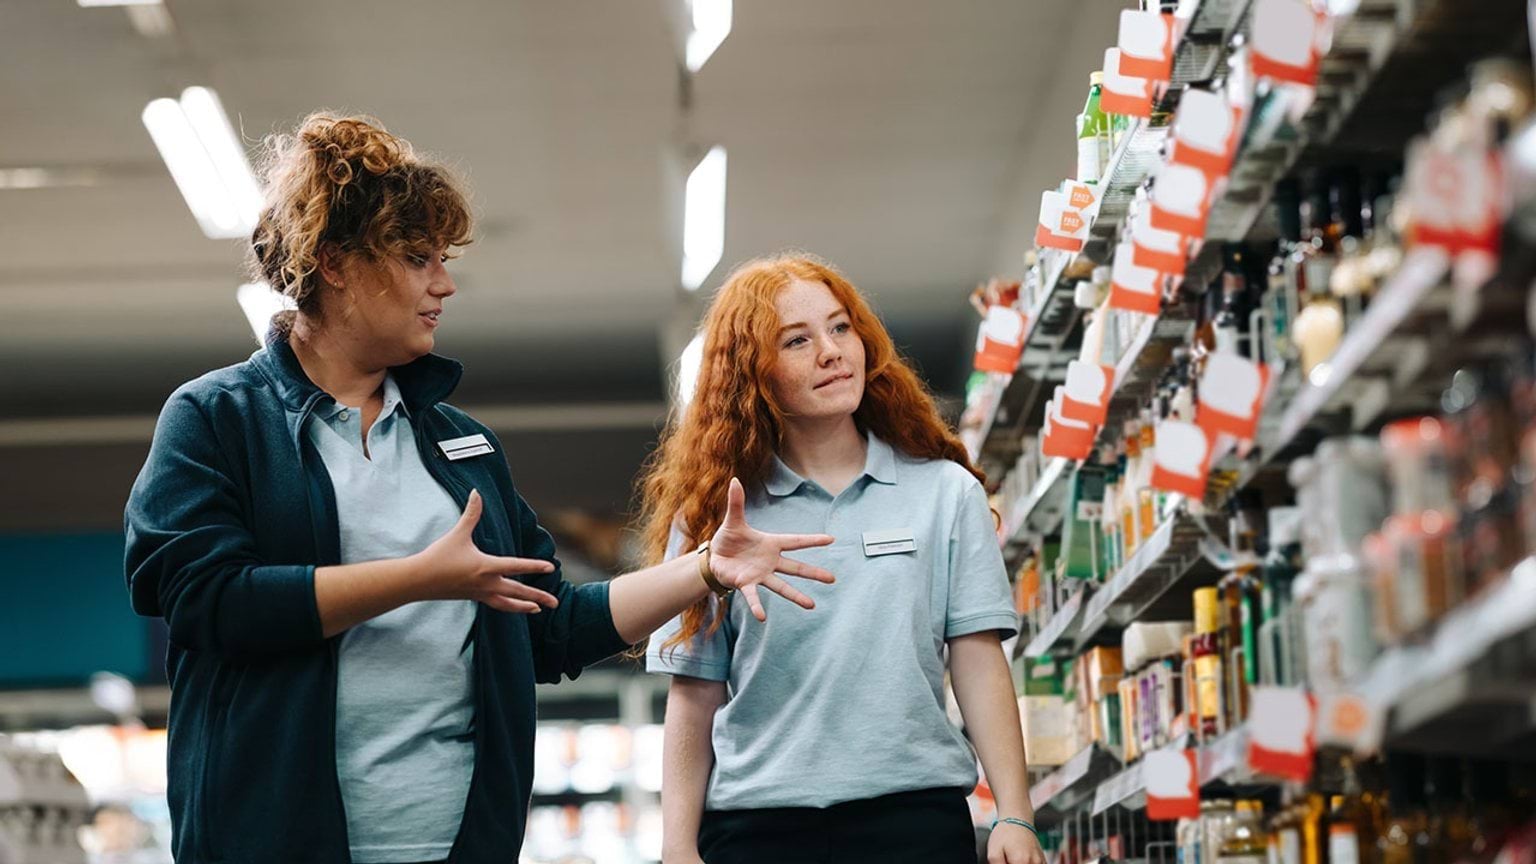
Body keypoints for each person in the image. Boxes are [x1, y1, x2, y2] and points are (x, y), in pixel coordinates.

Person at [123, 114, 836, 864]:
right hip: (270, 842)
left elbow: (547, 625)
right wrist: (417, 580)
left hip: (454, 844)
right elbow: (205, 601)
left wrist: (701, 572)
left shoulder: (457, 443)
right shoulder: (217, 418)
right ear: (335, 263)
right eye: (418, 257)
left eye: (445, 257)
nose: (445, 282)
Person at [639, 255, 1048, 864]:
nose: (831, 352)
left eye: (841, 328)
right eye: (797, 341)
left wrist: (1016, 813)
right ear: (755, 375)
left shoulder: (944, 493)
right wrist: (677, 846)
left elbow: (977, 655)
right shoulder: (716, 517)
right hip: (757, 830)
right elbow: (694, 691)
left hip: (914, 820)